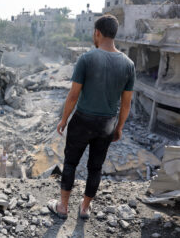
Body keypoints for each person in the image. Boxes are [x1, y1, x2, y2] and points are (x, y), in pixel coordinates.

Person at [48, 14, 135, 219]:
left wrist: (63, 120)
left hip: (83, 120)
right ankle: (85, 208)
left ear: (97, 33)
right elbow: (126, 103)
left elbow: (73, 95)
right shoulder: (128, 64)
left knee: (70, 163)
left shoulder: (87, 58)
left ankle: (63, 207)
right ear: (114, 34)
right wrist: (119, 127)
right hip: (107, 123)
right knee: (95, 168)